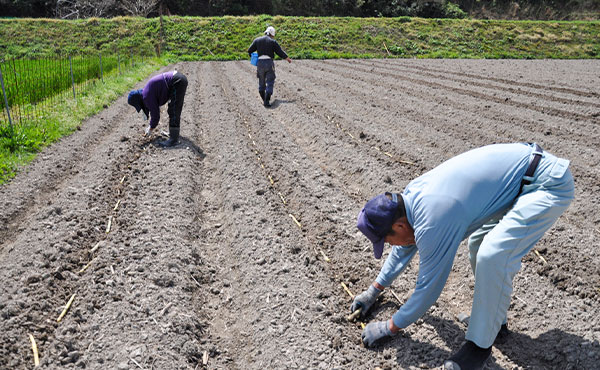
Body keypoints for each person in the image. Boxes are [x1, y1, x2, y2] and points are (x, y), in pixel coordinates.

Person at [351, 142, 574, 370]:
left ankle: (478, 348)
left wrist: (389, 327)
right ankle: (493, 325)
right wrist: (374, 291)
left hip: (546, 184)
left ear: (398, 226)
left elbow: (428, 290)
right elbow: (404, 248)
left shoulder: (432, 220)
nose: (390, 246)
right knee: (478, 245)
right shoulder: (410, 201)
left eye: (386, 241)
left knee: (492, 254)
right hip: (521, 182)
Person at [127, 70, 188, 147]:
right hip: (176, 79)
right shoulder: (145, 93)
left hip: (177, 81)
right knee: (172, 109)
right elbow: (154, 109)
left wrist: (151, 128)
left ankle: (173, 139)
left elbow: (155, 115)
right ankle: (173, 134)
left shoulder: (146, 96)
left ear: (138, 101)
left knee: (174, 109)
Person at [247, 26, 292, 107]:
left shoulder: (257, 40)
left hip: (260, 63)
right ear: (272, 34)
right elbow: (279, 52)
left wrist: (253, 56)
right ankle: (267, 101)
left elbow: (249, 50)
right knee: (270, 81)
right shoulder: (272, 42)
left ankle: (264, 99)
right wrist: (287, 58)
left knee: (261, 80)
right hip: (269, 62)